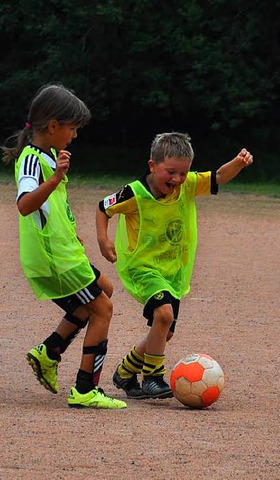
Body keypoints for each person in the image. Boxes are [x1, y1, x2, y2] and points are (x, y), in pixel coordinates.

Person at [96, 132, 253, 399]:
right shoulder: (134, 193)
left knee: (163, 332)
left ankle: (124, 372)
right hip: (142, 268)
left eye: (183, 173)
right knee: (164, 315)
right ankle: (153, 378)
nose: (177, 180)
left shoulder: (188, 185)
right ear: (152, 166)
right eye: (171, 172)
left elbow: (217, 177)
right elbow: (103, 208)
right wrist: (103, 239)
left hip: (173, 272)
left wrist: (237, 163)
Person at [1, 84, 127, 409]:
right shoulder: (32, 161)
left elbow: (52, 209)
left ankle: (50, 352)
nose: (74, 135)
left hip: (66, 252)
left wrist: (71, 232)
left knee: (105, 290)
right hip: (55, 259)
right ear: (53, 125)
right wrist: (54, 179)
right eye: (72, 128)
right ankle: (85, 389)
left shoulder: (49, 155)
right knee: (103, 309)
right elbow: (26, 204)